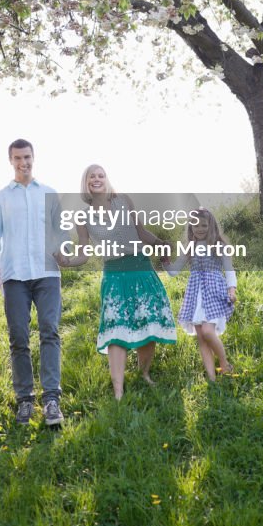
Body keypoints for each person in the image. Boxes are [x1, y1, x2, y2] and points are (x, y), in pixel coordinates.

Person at [65, 164, 177, 400]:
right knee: (116, 329)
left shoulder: (124, 200)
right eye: (91, 176)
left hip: (141, 268)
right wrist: (66, 261)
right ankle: (118, 390)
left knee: (149, 323)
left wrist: (161, 243)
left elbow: (140, 231)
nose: (96, 179)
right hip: (114, 275)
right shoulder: (82, 216)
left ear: (107, 179)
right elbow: (84, 253)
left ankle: (144, 373)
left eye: (101, 175)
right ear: (85, 183)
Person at [0, 139, 65, 426]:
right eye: (17, 158)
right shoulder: (1, 197)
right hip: (14, 274)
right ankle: (25, 401)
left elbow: (61, 232)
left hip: (47, 273)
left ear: (34, 157)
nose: (23, 162)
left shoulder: (50, 194)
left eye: (27, 157)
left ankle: (52, 399)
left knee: (49, 332)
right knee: (18, 337)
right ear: (10, 160)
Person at [167, 208, 237, 381]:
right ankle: (212, 377)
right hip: (195, 293)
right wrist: (165, 260)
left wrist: (232, 289)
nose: (199, 229)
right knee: (201, 335)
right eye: (195, 225)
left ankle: (224, 363)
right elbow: (174, 271)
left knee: (207, 331)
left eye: (203, 225)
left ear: (211, 225)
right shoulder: (190, 247)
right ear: (190, 228)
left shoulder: (218, 245)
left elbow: (229, 269)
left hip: (213, 289)